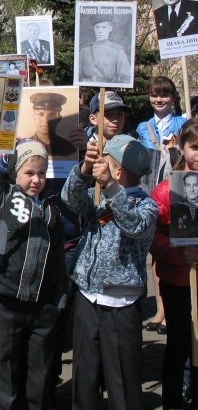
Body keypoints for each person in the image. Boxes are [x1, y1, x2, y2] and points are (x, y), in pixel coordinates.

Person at [61, 134, 157, 410]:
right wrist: (83, 169)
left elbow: (134, 226)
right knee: (85, 376)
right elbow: (70, 198)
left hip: (121, 304)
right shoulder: (97, 196)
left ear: (117, 170)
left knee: (121, 378)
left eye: (105, 161)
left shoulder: (146, 205)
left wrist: (112, 188)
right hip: (88, 297)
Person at [0, 140, 67, 409]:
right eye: (29, 173)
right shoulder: (2, 196)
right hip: (6, 303)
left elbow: (58, 261)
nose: (36, 180)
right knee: (4, 379)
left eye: (41, 173)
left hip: (43, 307)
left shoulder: (52, 209)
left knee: (38, 381)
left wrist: (59, 299)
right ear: (15, 172)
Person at [150, 120, 198, 409]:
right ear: (182, 147)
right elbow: (151, 236)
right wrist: (177, 252)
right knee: (179, 345)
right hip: (178, 282)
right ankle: (172, 402)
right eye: (195, 147)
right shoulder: (168, 190)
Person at [79, 14, 131, 84]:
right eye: (97, 27)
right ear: (94, 29)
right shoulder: (85, 50)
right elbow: (78, 74)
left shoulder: (118, 51)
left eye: (104, 27)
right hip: (87, 88)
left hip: (108, 87)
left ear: (110, 28)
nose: (100, 31)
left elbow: (126, 78)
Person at [28, 92, 77, 157]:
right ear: (33, 116)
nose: (46, 120)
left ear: (59, 118)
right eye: (41, 114)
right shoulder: (25, 146)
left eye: (52, 115)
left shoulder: (69, 148)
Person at [171, 171, 198, 239]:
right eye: (188, 185)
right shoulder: (175, 208)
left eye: (195, 185)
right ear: (184, 187)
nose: (192, 189)